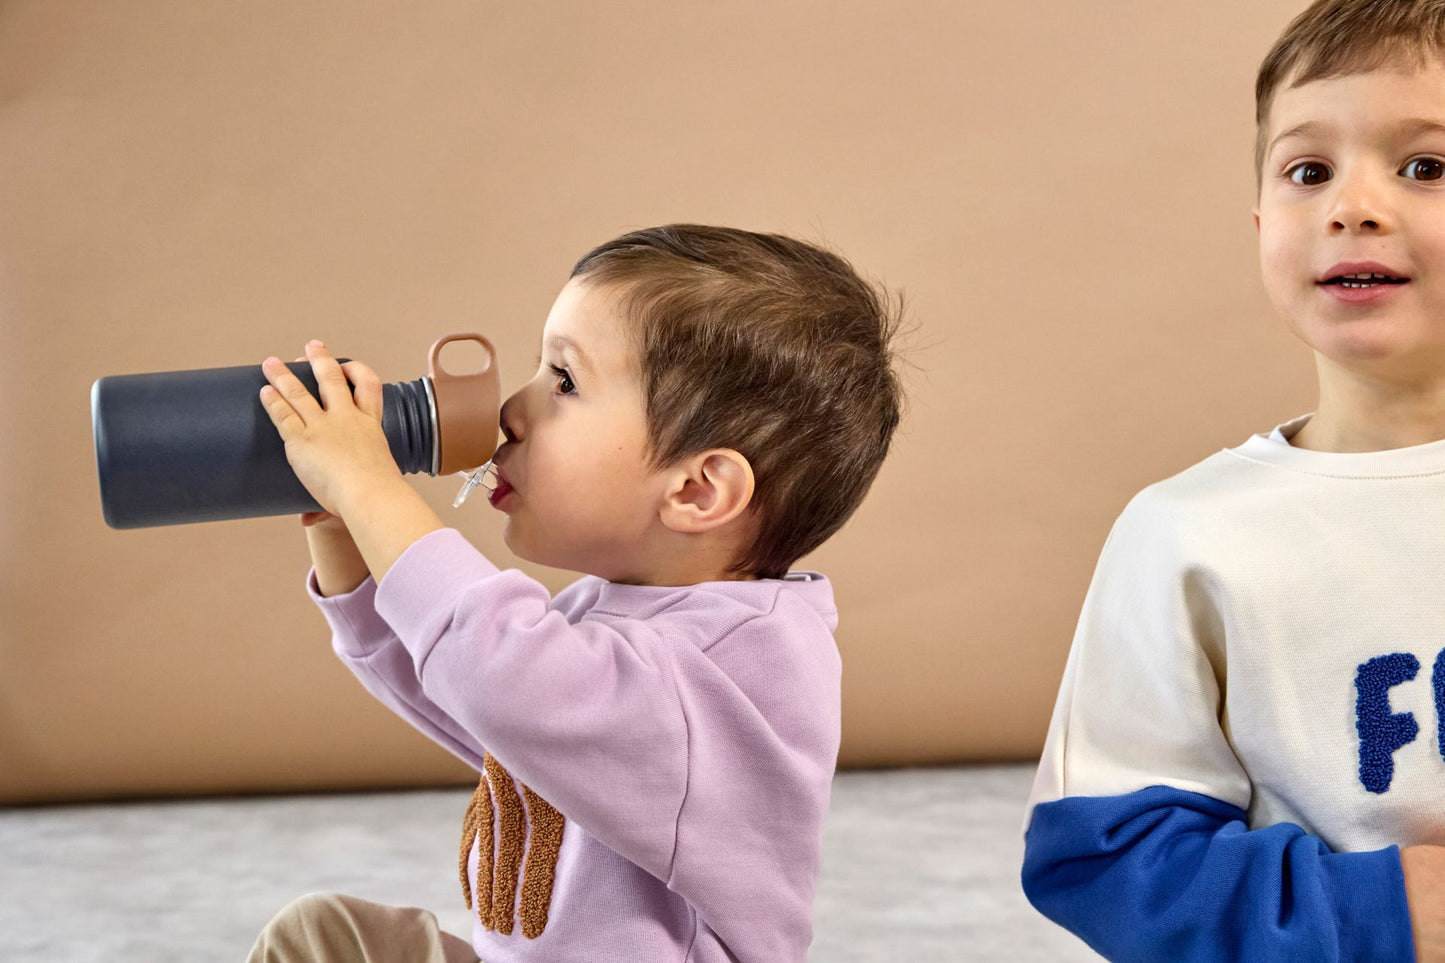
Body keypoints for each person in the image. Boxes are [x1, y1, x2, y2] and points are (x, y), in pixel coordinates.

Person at [246, 224, 905, 963]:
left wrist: (371, 487)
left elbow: (498, 674)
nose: (511, 412)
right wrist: (346, 529)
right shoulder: (615, 610)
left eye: (563, 381)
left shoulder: (728, 667)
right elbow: (466, 687)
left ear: (696, 488)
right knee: (326, 936)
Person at [1021, 1, 1445, 960]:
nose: (1352, 206)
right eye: (1308, 171)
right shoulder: (1188, 534)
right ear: (1262, 222)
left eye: (1425, 166)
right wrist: (1384, 910)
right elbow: (1102, 855)